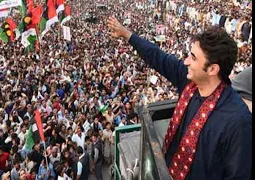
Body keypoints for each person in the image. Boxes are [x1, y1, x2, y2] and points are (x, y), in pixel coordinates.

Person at [107, 16, 252, 180]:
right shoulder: (188, 82)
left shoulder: (238, 122)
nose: (186, 61)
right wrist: (127, 34)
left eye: (193, 57)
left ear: (212, 69)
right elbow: (157, 56)